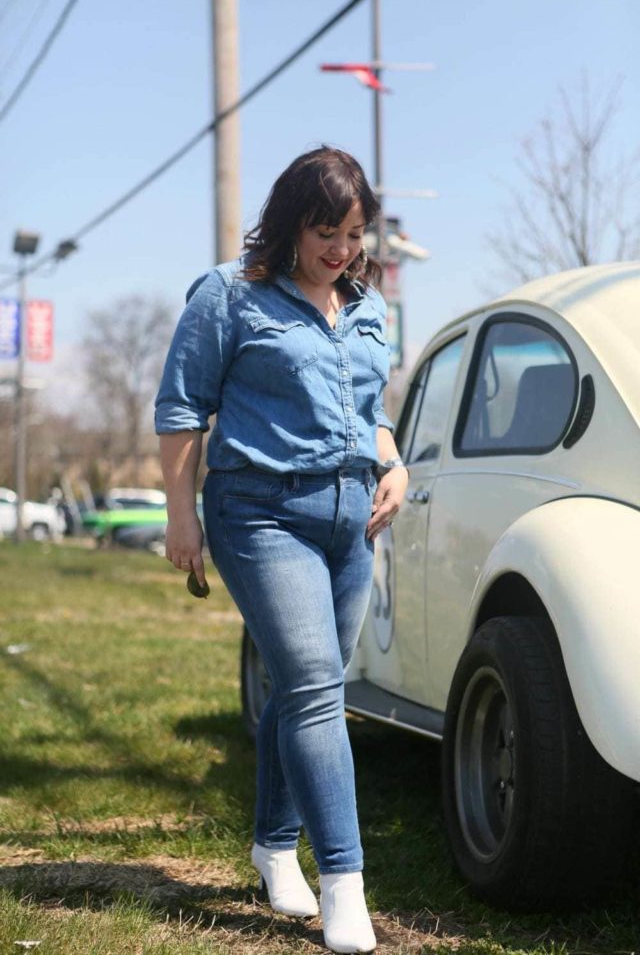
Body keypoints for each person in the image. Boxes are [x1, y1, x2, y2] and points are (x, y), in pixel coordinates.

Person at [155, 146, 408, 954]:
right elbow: (182, 405)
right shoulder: (231, 294)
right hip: (261, 512)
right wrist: (180, 512)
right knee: (314, 689)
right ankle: (345, 880)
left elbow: (365, 407)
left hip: (350, 519)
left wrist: (394, 457)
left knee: (308, 689)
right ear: (292, 222)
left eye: (355, 233)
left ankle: (271, 845)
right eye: (325, 231)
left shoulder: (366, 305)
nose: (340, 249)